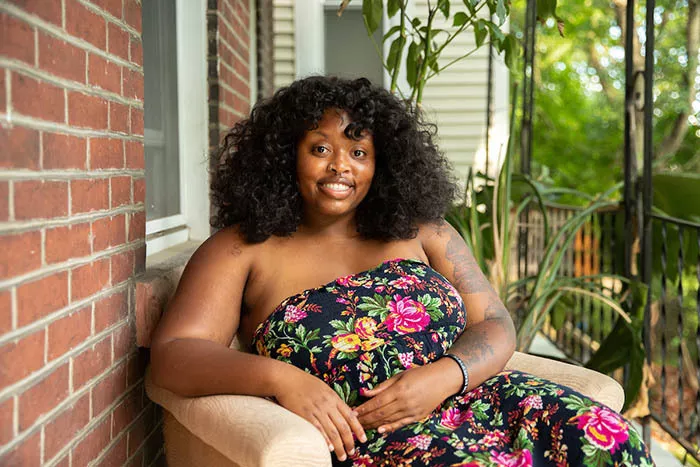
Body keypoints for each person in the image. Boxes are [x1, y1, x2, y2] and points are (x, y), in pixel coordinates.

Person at [150, 76, 654, 466]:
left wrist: (443, 377)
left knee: (610, 440)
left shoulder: (424, 232)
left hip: (491, 400)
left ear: (382, 163)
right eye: (320, 148)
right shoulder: (241, 249)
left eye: (359, 151)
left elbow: (497, 325)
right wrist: (281, 380)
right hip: (385, 440)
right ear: (285, 156)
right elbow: (174, 355)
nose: (340, 166)